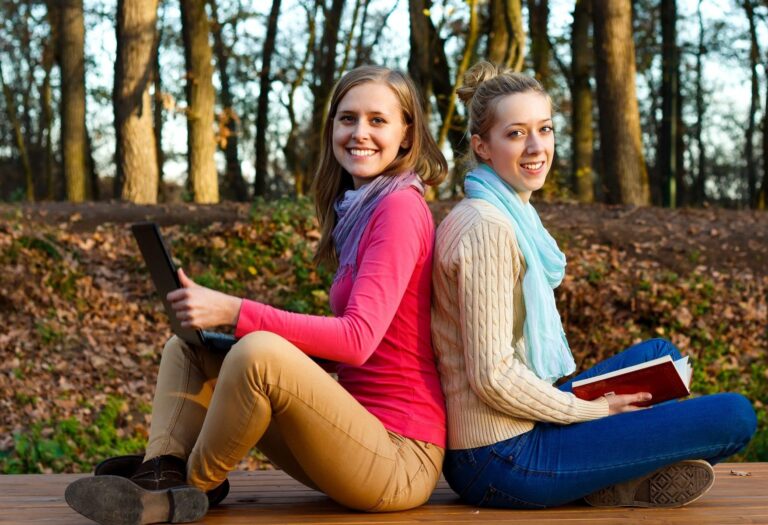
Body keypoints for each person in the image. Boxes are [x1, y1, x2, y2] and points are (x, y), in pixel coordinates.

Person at [66, 65, 448, 525]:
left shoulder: (399, 208)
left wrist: (235, 311)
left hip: (399, 457)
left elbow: (357, 341)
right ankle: (160, 473)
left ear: (407, 135)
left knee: (258, 352)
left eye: (378, 120)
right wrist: (232, 344)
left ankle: (187, 489)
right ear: (332, 127)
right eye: (347, 118)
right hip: (349, 434)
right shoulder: (358, 211)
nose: (359, 132)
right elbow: (351, 354)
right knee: (189, 349)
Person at [430, 61, 757, 510]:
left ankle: (611, 476)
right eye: (516, 133)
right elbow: (492, 377)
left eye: (544, 129)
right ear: (482, 146)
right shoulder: (486, 227)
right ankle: (616, 474)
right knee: (736, 416)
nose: (536, 147)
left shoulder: (507, 213)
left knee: (659, 356)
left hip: (515, 429)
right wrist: (595, 410)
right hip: (499, 457)